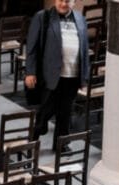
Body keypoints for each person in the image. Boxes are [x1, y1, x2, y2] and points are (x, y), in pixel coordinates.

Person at [24, 0, 90, 149]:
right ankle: (33, 138)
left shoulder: (80, 19)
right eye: (60, 0)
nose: (63, 4)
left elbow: (84, 49)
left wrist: (84, 77)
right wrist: (30, 72)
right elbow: (32, 47)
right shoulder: (43, 17)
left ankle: (61, 144)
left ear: (74, 2)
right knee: (46, 110)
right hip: (51, 74)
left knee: (65, 112)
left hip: (72, 75)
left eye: (68, 1)